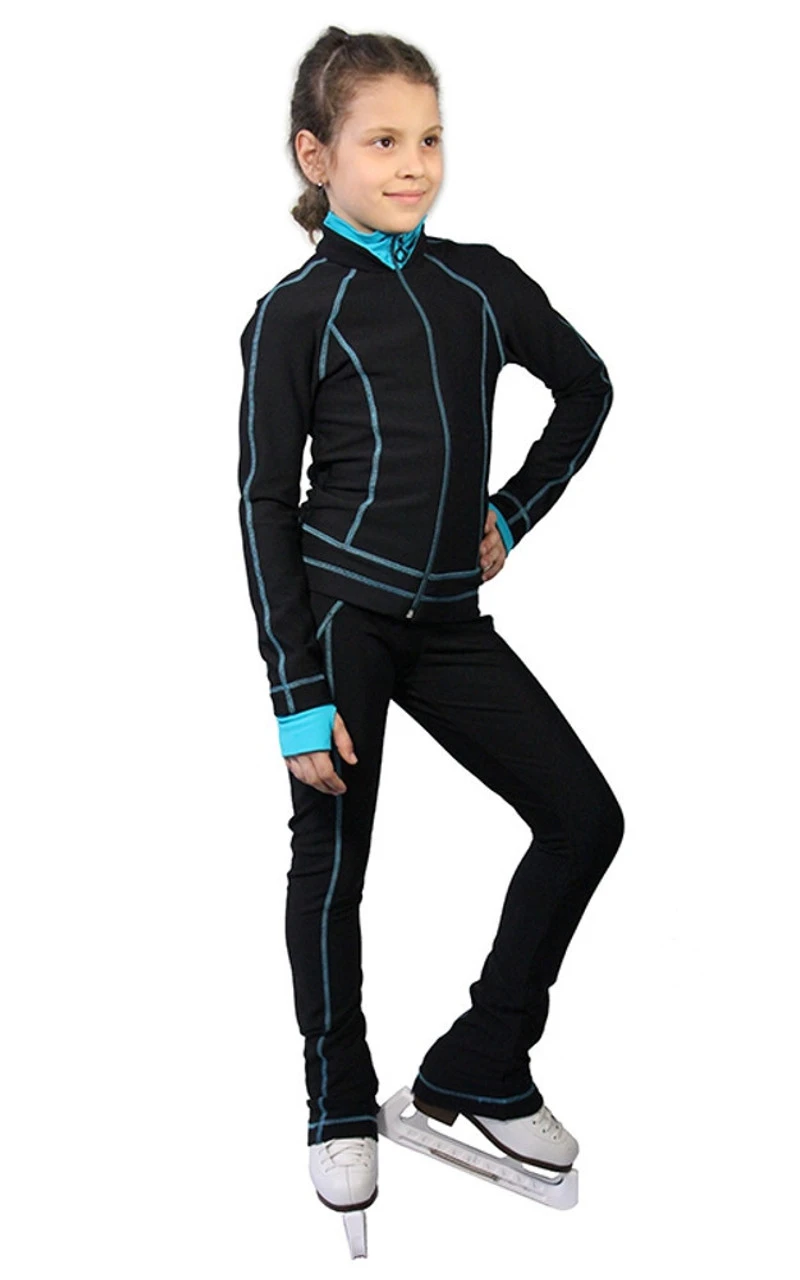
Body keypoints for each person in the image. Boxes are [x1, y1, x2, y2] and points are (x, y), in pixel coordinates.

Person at [237, 25, 625, 1215]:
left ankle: (482, 1059)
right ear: (316, 156)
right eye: (382, 141)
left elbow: (587, 387)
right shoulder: (294, 312)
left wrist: (511, 510)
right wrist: (295, 692)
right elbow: (262, 503)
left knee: (583, 818)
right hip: (342, 616)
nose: (412, 164)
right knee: (333, 864)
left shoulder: (479, 282)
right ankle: (336, 1097)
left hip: (449, 620)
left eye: (429, 138)